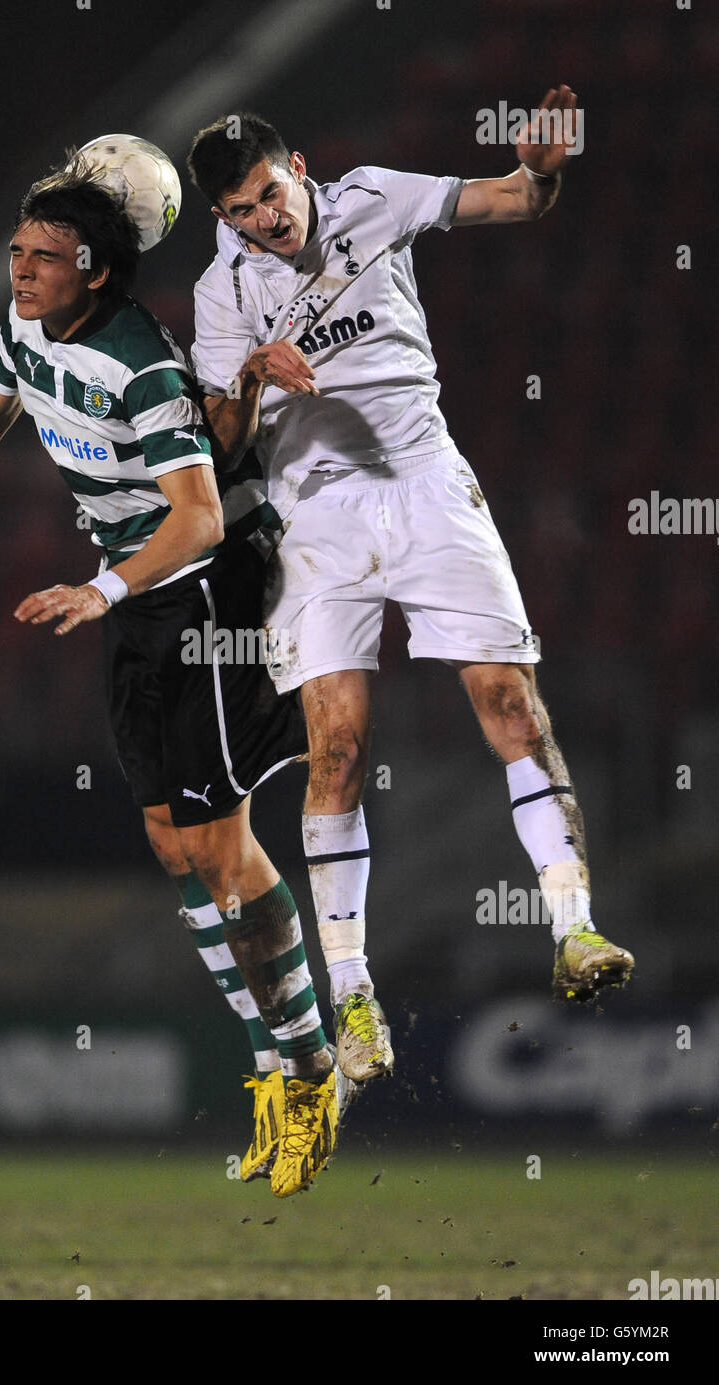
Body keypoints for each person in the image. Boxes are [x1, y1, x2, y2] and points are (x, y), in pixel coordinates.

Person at [0, 158, 353, 1197]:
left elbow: (201, 513)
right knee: (166, 836)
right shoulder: (24, 331)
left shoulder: (139, 361)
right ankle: (274, 1064)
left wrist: (99, 588)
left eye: (44, 257)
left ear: (94, 268)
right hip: (136, 591)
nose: (22, 271)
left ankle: (310, 1065)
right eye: (16, 252)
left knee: (219, 846)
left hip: (209, 583)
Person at [186, 90, 634, 1082]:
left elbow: (513, 203)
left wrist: (542, 169)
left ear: (296, 167)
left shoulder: (372, 201)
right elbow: (220, 450)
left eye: (267, 193)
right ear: (221, 220)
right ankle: (350, 996)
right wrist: (252, 374)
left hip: (425, 482)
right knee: (335, 749)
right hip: (316, 517)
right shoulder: (221, 298)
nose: (265, 219)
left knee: (507, 698)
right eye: (240, 211)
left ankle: (573, 929)